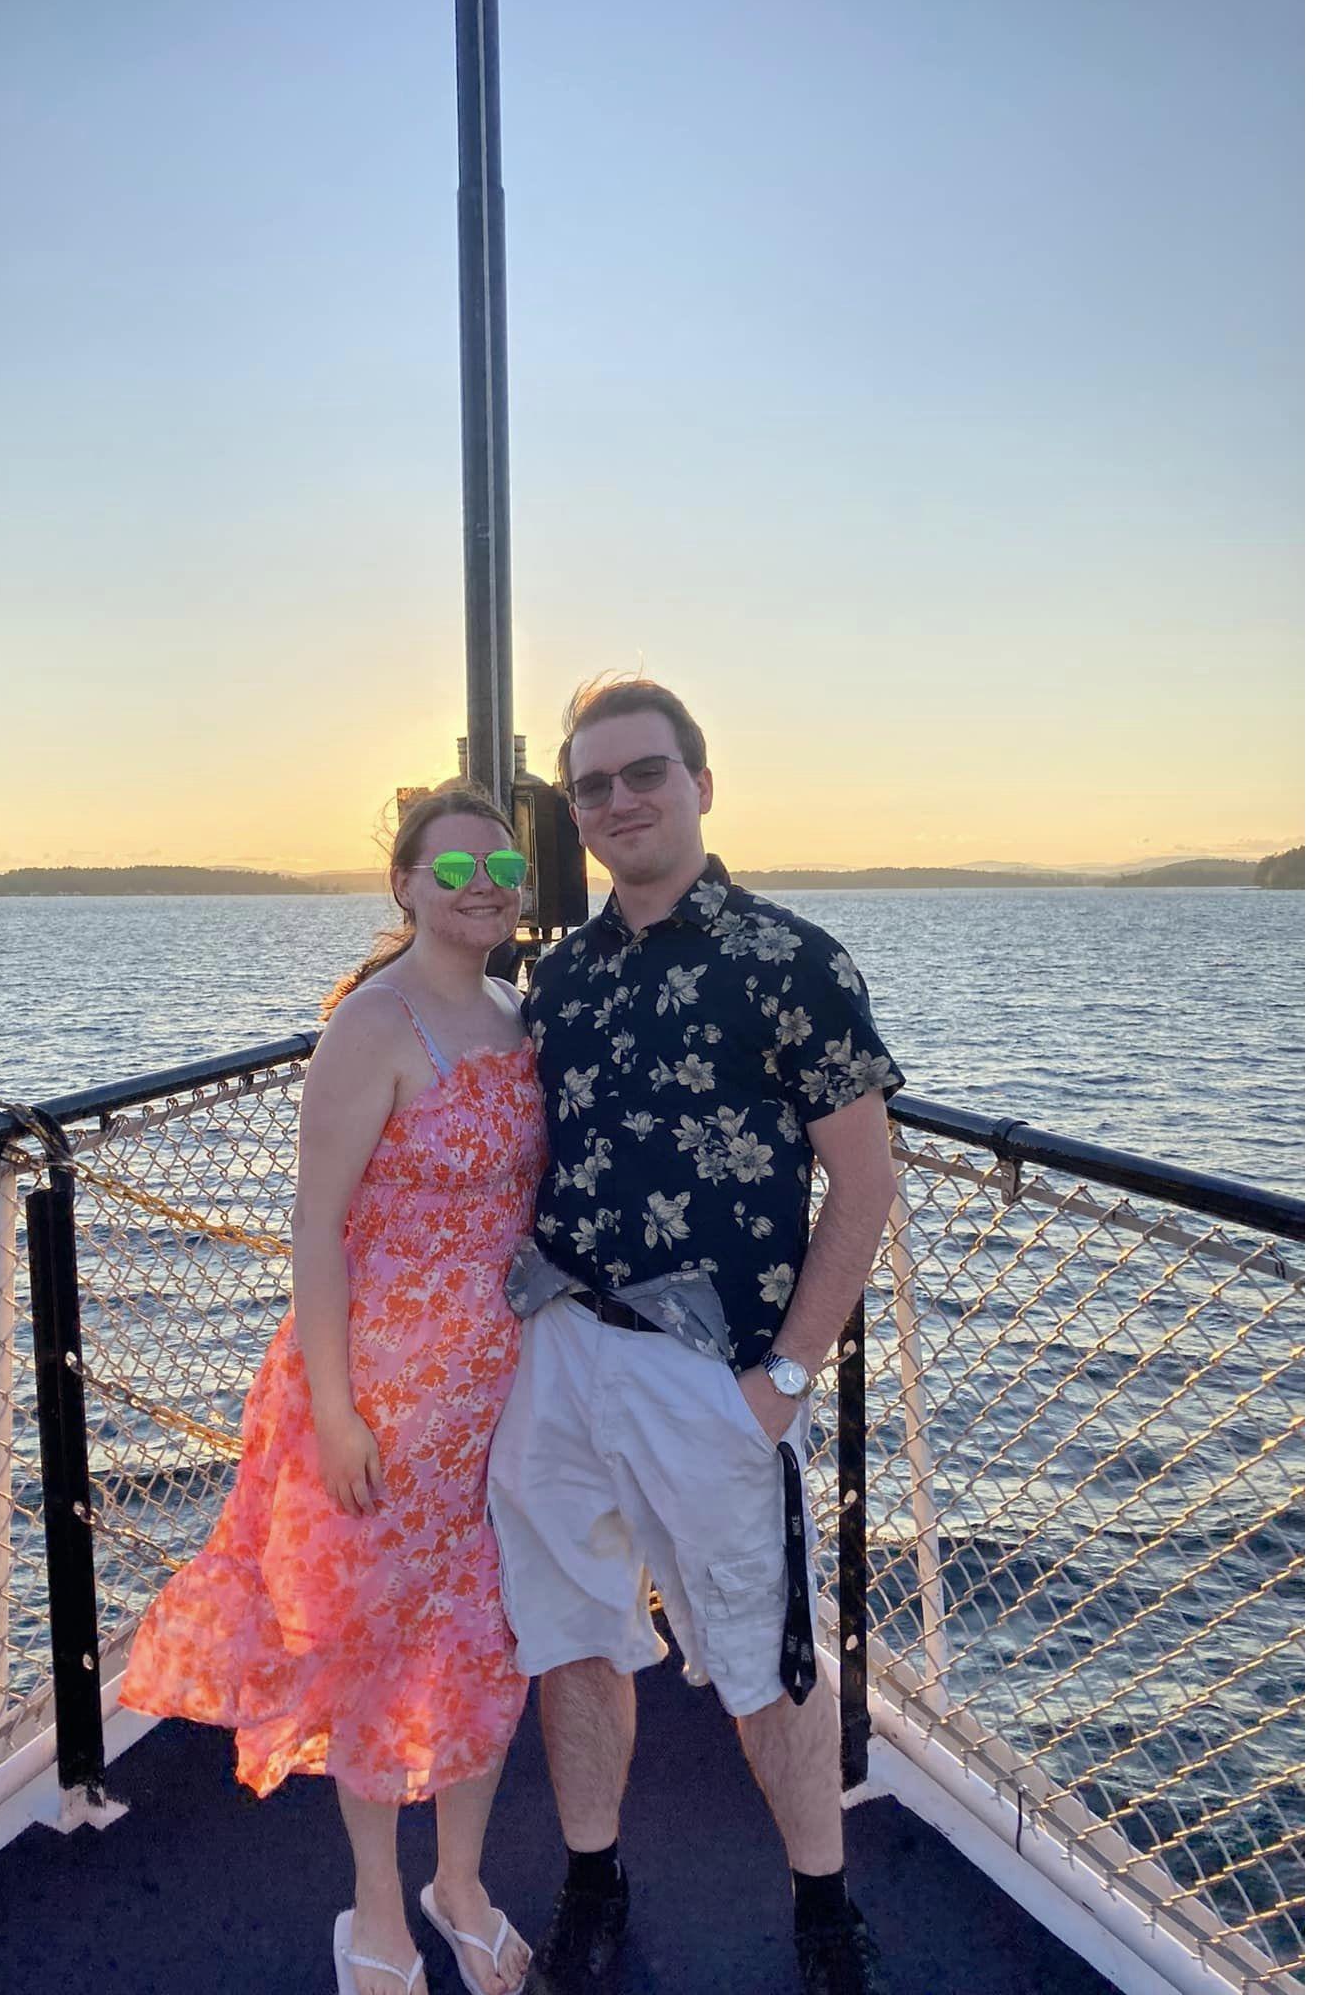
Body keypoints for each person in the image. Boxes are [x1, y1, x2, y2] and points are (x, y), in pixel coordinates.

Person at [485, 678, 906, 1995]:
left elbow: (864, 1186)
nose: (618, 800)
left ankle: (822, 1903)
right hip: (560, 1350)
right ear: (574, 811)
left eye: (644, 773)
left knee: (763, 1652)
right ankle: (593, 1877)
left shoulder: (791, 962)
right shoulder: (558, 976)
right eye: (592, 785)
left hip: (710, 1373)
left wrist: (782, 1378)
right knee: (572, 1635)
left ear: (701, 784)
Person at [122, 783, 545, 1995]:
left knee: (487, 1641)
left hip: (504, 1390)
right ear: (404, 884)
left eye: (499, 865)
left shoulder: (515, 1012)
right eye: (450, 867)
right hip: (387, 1398)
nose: (479, 886)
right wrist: (337, 1410)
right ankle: (375, 1908)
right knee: (374, 1645)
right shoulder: (372, 1024)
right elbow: (315, 1228)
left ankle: (458, 1882)